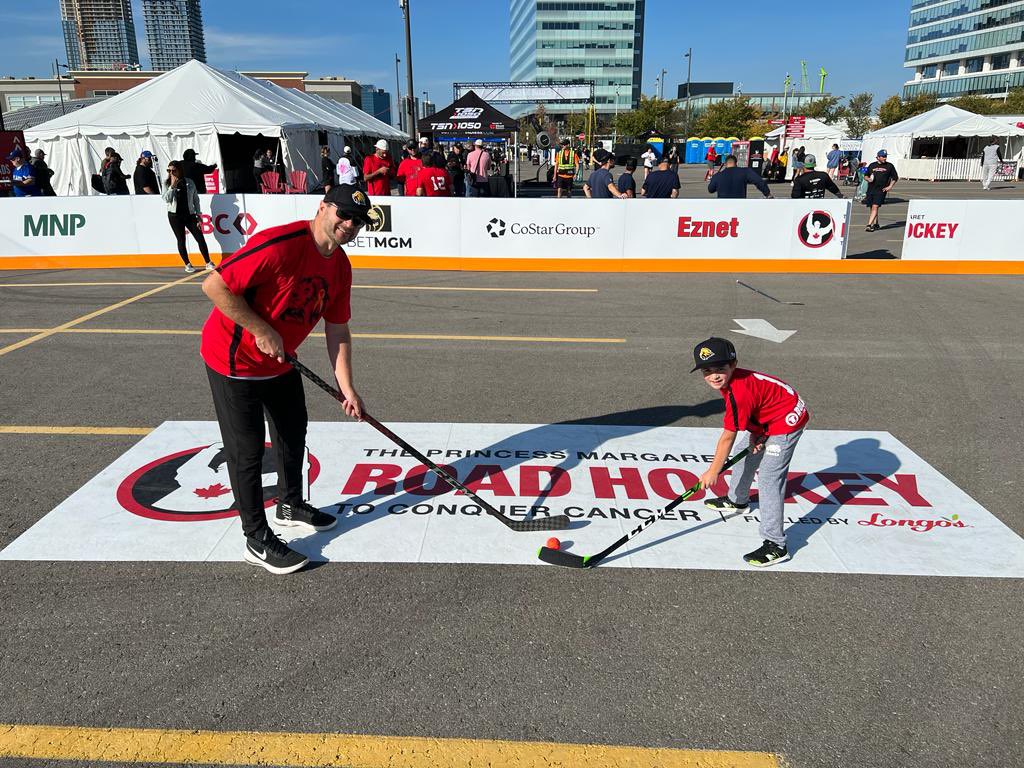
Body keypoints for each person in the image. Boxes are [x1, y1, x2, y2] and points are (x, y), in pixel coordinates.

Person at [199, 184, 372, 575]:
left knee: (293, 432)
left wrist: (348, 389)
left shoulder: (340, 266)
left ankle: (290, 503)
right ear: (323, 207)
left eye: (357, 221)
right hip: (234, 361)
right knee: (246, 450)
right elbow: (214, 285)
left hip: (279, 363)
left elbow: (338, 331)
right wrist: (260, 328)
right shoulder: (281, 244)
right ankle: (256, 538)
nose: (349, 224)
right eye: (343, 214)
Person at [692, 337, 809, 567]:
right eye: (707, 371)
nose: (714, 376)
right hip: (769, 415)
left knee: (768, 477)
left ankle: (776, 544)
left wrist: (713, 471)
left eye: (720, 369)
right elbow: (757, 405)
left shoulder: (739, 392)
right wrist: (756, 433)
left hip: (787, 419)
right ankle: (738, 500)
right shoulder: (732, 385)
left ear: (734, 365)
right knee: (744, 451)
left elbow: (727, 436)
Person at [162, 160, 212, 273]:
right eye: (168, 170)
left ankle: (208, 261)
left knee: (200, 237)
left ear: (179, 170)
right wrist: (172, 186)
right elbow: (166, 199)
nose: (171, 173)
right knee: (181, 239)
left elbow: (196, 200)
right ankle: (187, 264)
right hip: (175, 216)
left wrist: (199, 215)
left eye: (173, 170)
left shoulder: (189, 182)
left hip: (189, 214)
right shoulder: (166, 183)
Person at [708, 154, 773, 199]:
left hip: (723, 208)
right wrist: (767, 194)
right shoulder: (745, 172)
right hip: (740, 206)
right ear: (736, 163)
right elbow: (759, 181)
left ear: (725, 164)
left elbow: (710, 189)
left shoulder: (717, 176)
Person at [863, 149, 898, 232]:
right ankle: (876, 224)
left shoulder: (889, 166)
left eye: (886, 156)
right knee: (872, 207)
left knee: (875, 206)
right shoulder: (872, 165)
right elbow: (865, 175)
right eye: (883, 157)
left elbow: (895, 177)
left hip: (881, 190)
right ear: (878, 157)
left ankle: (869, 225)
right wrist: (868, 179)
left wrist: (890, 186)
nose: (885, 158)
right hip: (871, 189)